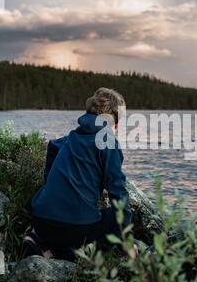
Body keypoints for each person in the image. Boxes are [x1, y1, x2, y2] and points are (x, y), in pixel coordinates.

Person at [23, 87, 137, 261]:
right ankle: (77, 249)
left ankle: (38, 240)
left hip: (41, 220)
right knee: (118, 214)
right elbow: (118, 194)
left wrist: (51, 184)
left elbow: (52, 146)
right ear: (114, 120)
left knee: (62, 217)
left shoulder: (73, 136)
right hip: (74, 229)